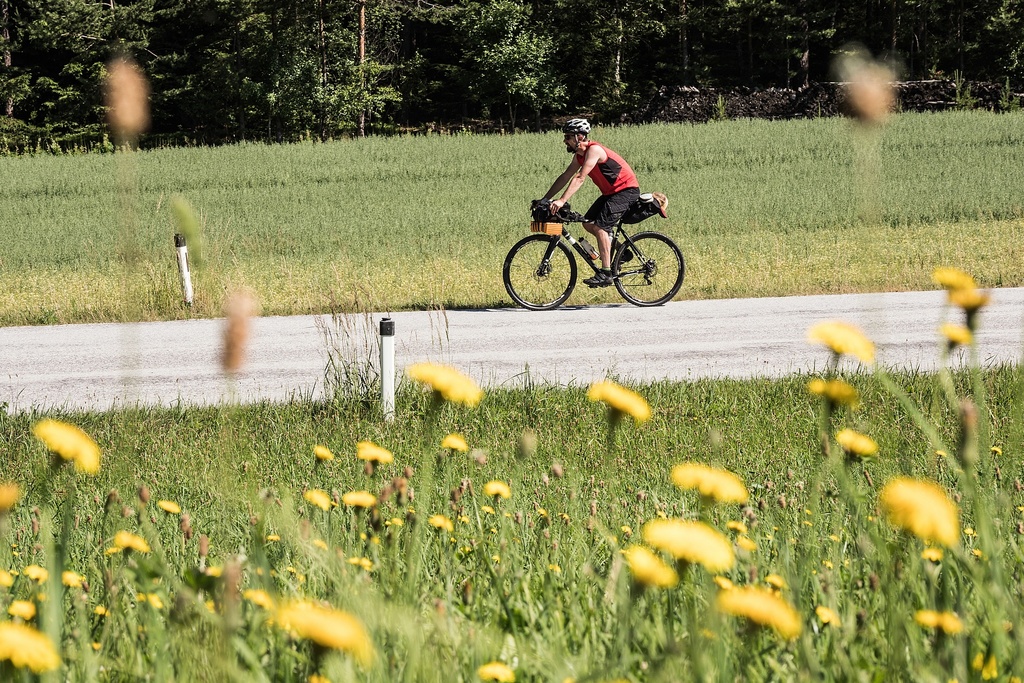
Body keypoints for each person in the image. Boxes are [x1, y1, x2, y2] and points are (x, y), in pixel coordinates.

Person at [543, 118, 640, 287]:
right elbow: (565, 176)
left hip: (626, 190)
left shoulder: (594, 150)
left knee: (601, 227)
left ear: (579, 137)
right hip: (611, 193)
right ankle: (622, 253)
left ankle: (606, 273)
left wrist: (561, 200)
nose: (564, 140)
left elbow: (580, 178)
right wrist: (545, 198)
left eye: (567, 137)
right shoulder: (579, 156)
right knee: (588, 223)